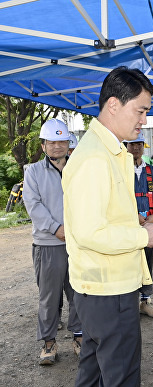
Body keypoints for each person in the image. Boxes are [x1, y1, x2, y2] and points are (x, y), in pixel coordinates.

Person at [62, 66, 153, 386]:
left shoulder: (111, 150)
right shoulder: (95, 158)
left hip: (102, 288)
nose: (143, 120)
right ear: (114, 105)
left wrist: (129, 220)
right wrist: (141, 235)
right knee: (121, 376)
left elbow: (101, 215)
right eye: (141, 110)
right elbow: (90, 232)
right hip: (108, 289)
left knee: (92, 374)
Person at [22, 118, 83, 365]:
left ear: (68, 143)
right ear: (44, 145)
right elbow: (33, 205)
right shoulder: (33, 172)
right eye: (52, 141)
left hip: (78, 244)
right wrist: (55, 228)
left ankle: (79, 337)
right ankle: (49, 343)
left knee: (79, 292)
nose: (57, 146)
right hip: (48, 245)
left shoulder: (78, 169)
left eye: (62, 141)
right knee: (49, 297)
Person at [125, 132, 153, 319]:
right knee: (129, 262)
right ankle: (129, 304)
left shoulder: (151, 170)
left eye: (139, 144)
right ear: (126, 146)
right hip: (128, 225)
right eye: (132, 144)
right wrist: (137, 218)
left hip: (149, 223)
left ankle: (145, 301)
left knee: (147, 262)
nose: (136, 148)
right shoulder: (120, 169)